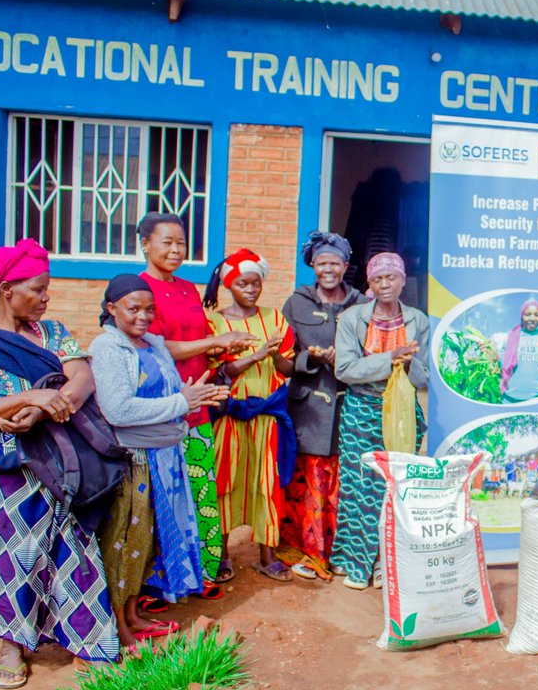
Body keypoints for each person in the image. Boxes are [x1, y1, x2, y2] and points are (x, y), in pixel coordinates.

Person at [0, 239, 119, 685]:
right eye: (38, 290)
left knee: (74, 549)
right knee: (10, 557)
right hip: (6, 472)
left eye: (47, 289)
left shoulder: (54, 334)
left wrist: (44, 408)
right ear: (7, 289)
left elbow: (83, 376)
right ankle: (11, 646)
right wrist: (26, 396)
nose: (46, 298)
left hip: (62, 464)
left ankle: (85, 639)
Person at [89, 275, 229, 651]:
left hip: (165, 457)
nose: (143, 316)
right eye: (133, 308)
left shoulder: (153, 344)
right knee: (123, 541)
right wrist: (183, 402)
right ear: (111, 308)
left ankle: (134, 614)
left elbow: (174, 395)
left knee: (147, 541)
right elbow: (118, 410)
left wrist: (195, 396)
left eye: (149, 309)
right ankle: (117, 626)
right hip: (132, 460)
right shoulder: (108, 348)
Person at [138, 212, 256, 588]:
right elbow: (157, 346)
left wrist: (227, 351)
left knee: (201, 490)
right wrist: (214, 342)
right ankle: (159, 581)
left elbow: (202, 341)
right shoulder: (139, 291)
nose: (175, 250)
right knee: (164, 499)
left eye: (181, 243)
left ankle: (199, 572)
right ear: (145, 244)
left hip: (199, 404)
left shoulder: (189, 290)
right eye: (166, 242)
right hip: (161, 408)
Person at [331, 252, 429, 590]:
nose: (385, 284)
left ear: (403, 280)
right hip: (362, 410)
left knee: (395, 487)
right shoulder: (352, 319)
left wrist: (410, 361)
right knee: (360, 486)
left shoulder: (418, 320)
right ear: (369, 284)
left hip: (402, 413)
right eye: (378, 279)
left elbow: (423, 377)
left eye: (392, 277)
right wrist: (390, 359)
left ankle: (384, 563)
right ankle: (356, 562)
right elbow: (343, 369)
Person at [280, 232, 369, 580]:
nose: (328, 269)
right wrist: (310, 358)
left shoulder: (363, 304)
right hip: (310, 405)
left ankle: (344, 552)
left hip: (352, 402)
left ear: (346, 266)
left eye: (335, 262)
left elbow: (372, 349)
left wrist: (346, 359)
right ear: (312, 266)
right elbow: (283, 359)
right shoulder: (297, 303)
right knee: (311, 478)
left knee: (347, 478)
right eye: (321, 263)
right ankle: (309, 550)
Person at [204, 249, 297, 582]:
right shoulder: (214, 323)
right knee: (226, 481)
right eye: (243, 283)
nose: (251, 289)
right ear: (230, 285)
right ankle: (222, 554)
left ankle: (266, 555)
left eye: (255, 283)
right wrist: (257, 354)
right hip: (231, 415)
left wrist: (278, 355)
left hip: (267, 414)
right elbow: (220, 371)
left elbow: (287, 366)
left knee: (267, 483)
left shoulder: (275, 318)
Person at [500, 299, 538, 403]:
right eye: (528, 314)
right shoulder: (511, 338)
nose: (532, 318)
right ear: (521, 316)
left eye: (537, 315)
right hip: (509, 401)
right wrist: (489, 353)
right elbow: (503, 368)